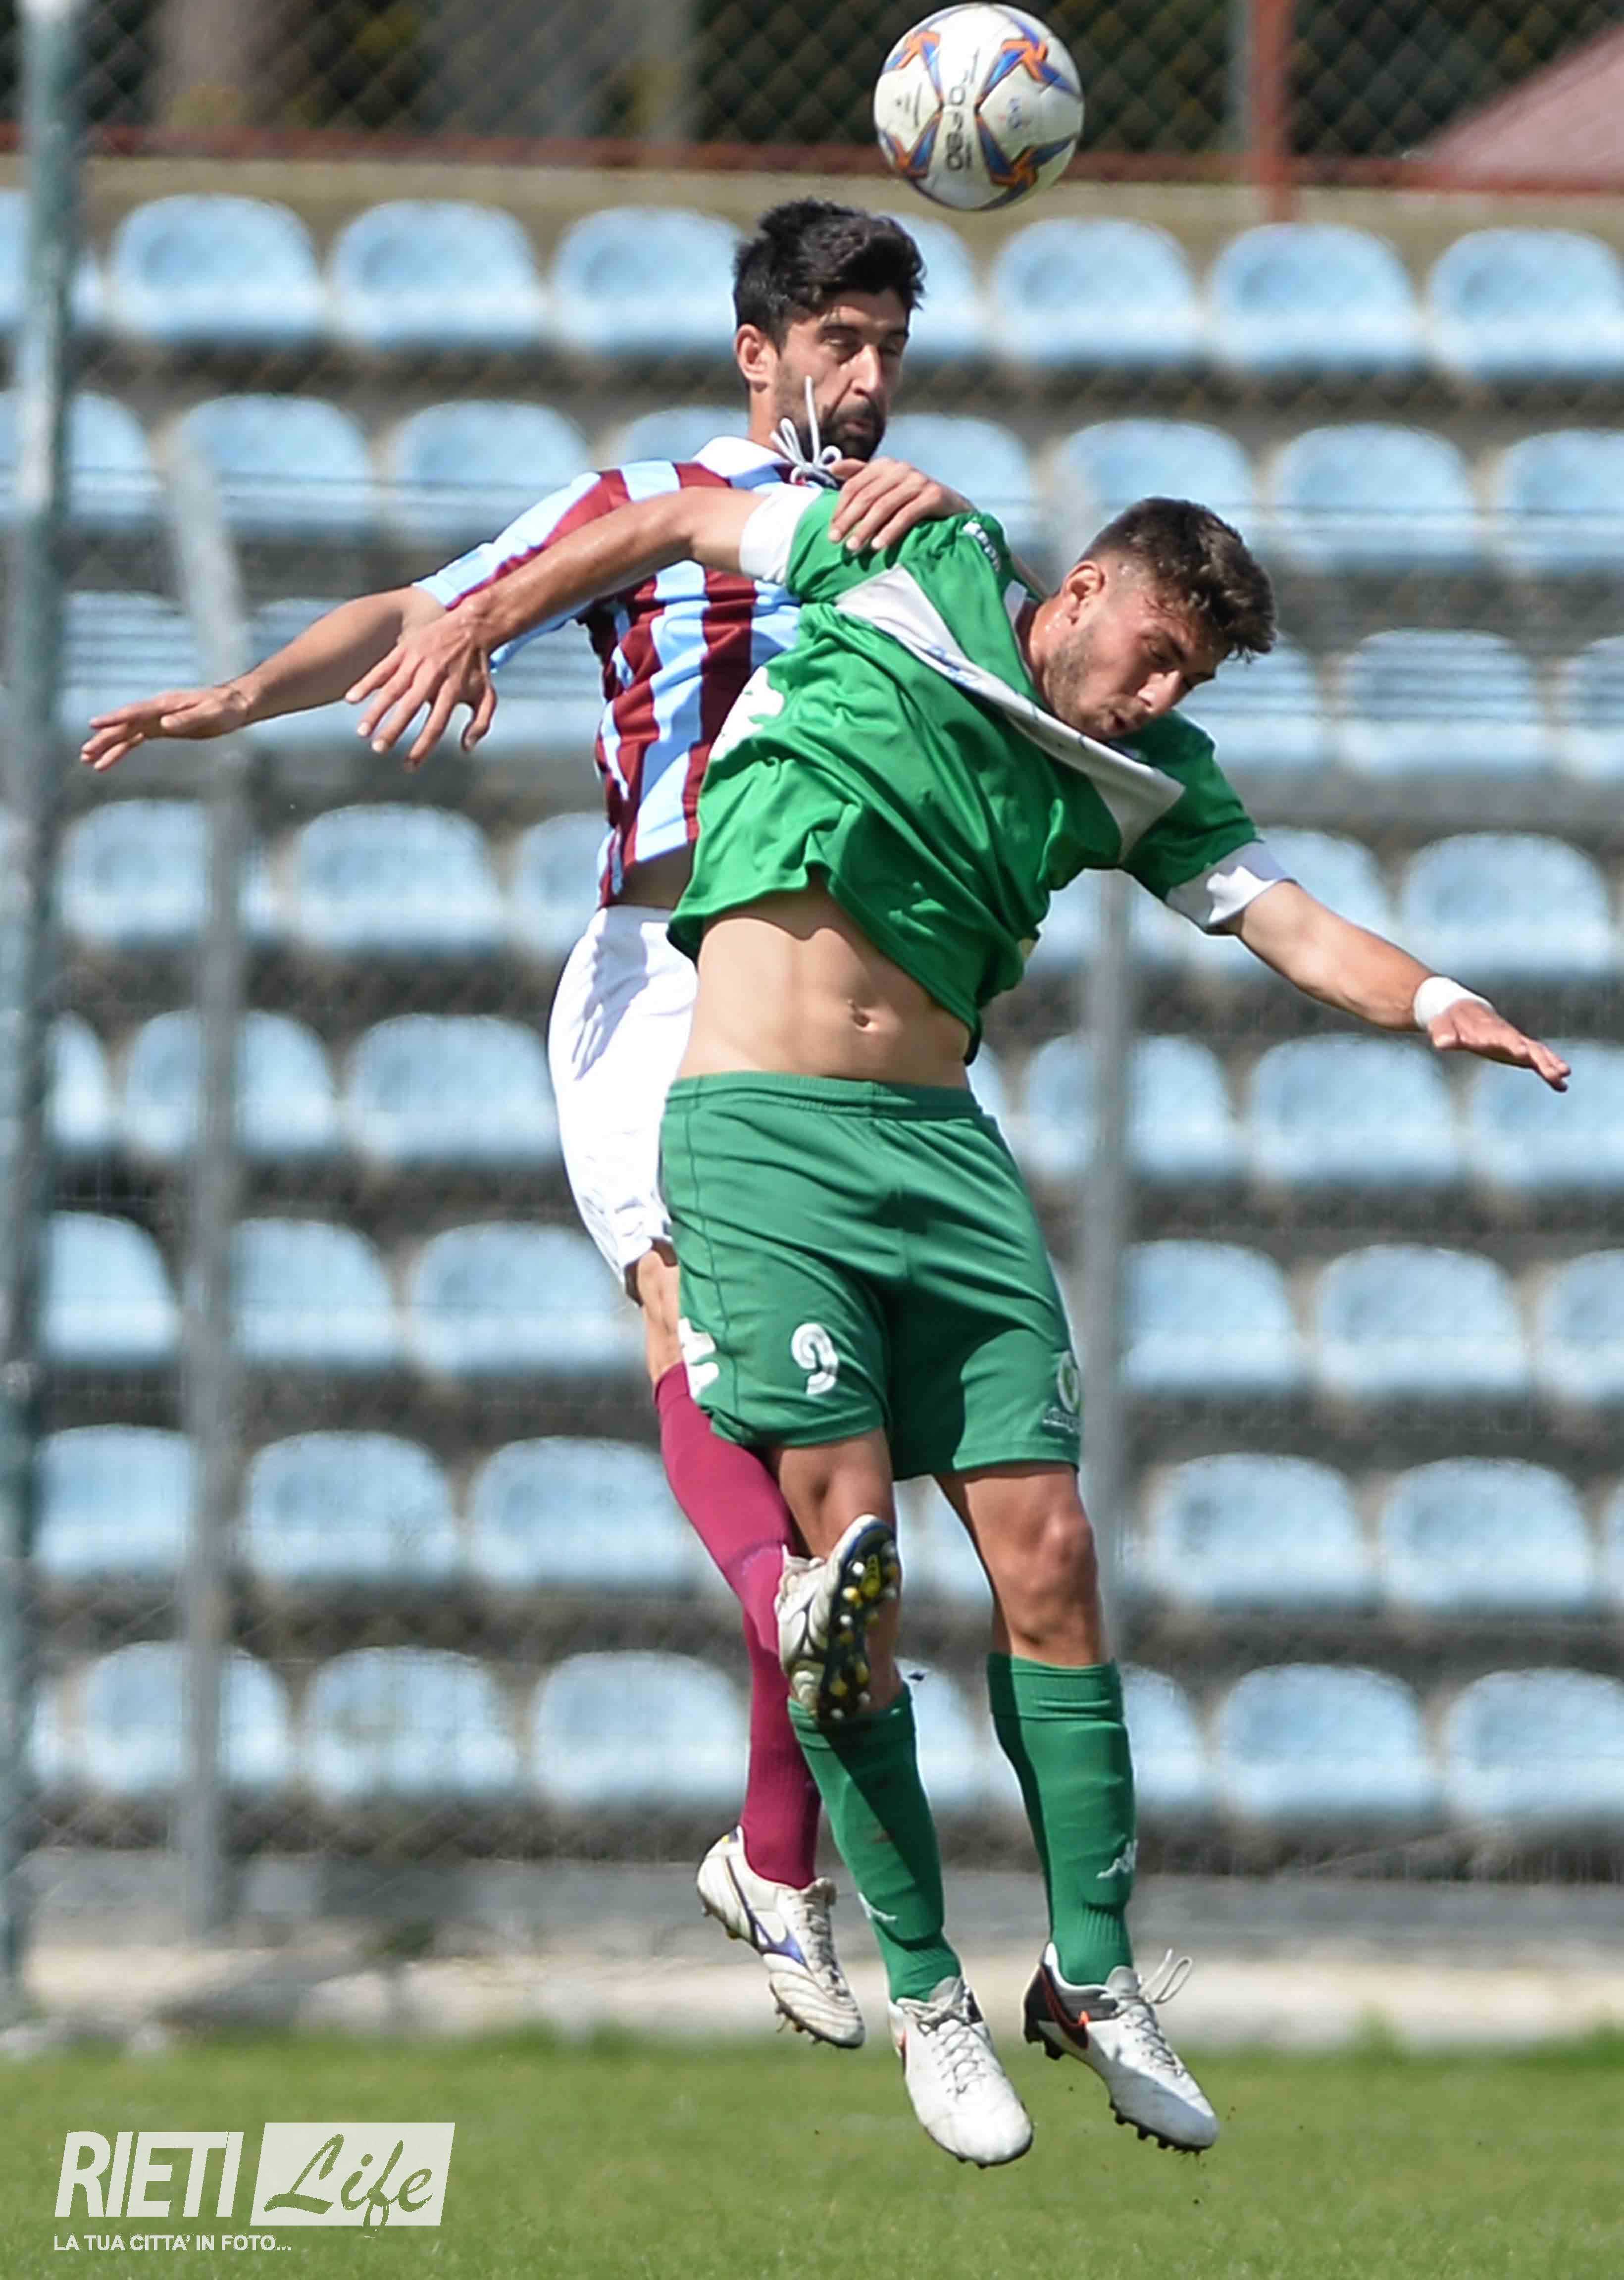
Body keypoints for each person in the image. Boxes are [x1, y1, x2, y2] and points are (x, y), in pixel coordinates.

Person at [359, 470, 1570, 2169]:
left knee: (1055, 1553)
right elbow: (683, 528)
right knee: (853, 1579)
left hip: (945, 1150)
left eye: (1192, 677)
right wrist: (487, 614)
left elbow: (1290, 921)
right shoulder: (915, 555)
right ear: (1081, 594)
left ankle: (1093, 1977)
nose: (1161, 692)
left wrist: (1434, 997)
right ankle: (928, 1992)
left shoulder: (1150, 774)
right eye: (1156, 650)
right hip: (762, 1133)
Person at [81, 198, 980, 2055]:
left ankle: (774, 1857)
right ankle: (789, 1627)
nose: (868, 378)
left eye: (892, 347)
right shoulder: (639, 503)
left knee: (828, 1449)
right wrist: (250, 696)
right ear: (759, 351)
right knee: (698, 1332)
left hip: (842, 1003)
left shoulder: (918, 536)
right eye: (839, 342)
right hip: (664, 971)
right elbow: (424, 612)